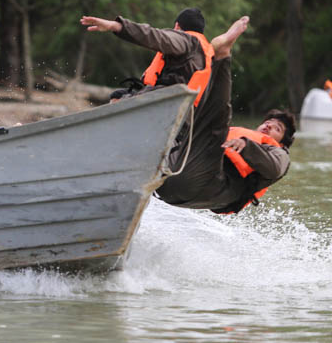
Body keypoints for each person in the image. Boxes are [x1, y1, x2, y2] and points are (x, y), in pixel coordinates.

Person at [83, 14, 295, 214]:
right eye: (268, 122)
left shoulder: (279, 155)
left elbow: (274, 168)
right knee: (187, 125)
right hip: (168, 185)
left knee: (215, 118)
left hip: (207, 186)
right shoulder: (232, 137)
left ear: (282, 142)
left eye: (277, 128)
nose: (268, 126)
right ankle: (97, 192)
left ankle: (222, 55)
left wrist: (247, 147)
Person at [81, 8, 214, 108]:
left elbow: (154, 36)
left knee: (118, 99)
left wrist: (116, 26)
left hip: (169, 104)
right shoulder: (206, 50)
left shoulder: (185, 40)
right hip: (189, 113)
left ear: (177, 26)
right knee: (119, 94)